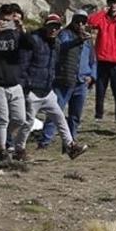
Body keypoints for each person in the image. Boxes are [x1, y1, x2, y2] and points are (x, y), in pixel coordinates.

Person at [22, 13, 88, 159]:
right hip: (33, 90)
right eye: (51, 26)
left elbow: (65, 47)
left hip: (47, 90)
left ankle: (71, 146)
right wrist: (26, 85)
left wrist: (78, 41)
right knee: (27, 123)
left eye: (56, 27)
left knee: (59, 117)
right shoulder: (35, 40)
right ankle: (17, 149)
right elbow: (24, 63)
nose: (53, 30)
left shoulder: (56, 43)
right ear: (45, 26)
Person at [0, 3, 33, 163]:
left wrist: (21, 29)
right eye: (3, 19)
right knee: (2, 119)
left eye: (9, 20)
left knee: (19, 119)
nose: (5, 23)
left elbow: (30, 45)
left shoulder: (15, 35)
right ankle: (2, 151)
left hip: (14, 83)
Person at [44, 11, 96, 146]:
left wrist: (92, 76)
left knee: (75, 115)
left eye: (83, 22)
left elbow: (93, 59)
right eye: (77, 21)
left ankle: (71, 142)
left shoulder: (88, 39)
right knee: (56, 112)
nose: (80, 25)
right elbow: (63, 46)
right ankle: (45, 141)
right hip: (64, 79)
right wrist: (79, 40)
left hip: (82, 81)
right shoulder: (65, 34)